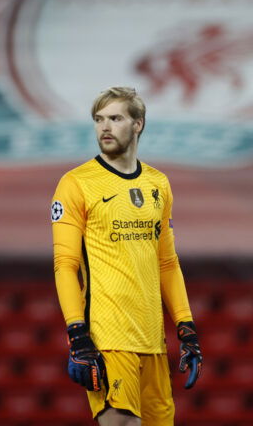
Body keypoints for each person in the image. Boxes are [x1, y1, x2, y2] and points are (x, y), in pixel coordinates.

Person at [50, 87, 202, 425]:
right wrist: (77, 335)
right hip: (107, 340)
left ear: (138, 124)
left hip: (153, 342)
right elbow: (65, 266)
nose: (104, 127)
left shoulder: (158, 184)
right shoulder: (76, 184)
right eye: (99, 119)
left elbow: (167, 262)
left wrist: (186, 327)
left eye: (115, 118)